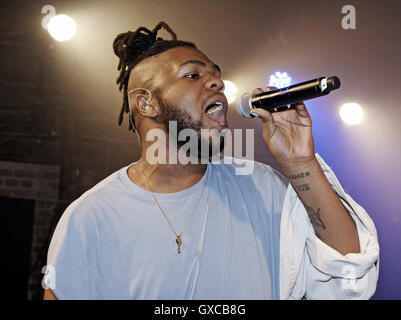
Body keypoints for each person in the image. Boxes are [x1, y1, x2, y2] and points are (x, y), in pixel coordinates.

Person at [43, 22, 379, 300]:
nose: (217, 82)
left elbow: (348, 276)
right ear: (146, 104)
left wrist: (300, 164)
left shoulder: (262, 187)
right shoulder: (91, 217)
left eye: (216, 74)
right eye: (192, 75)